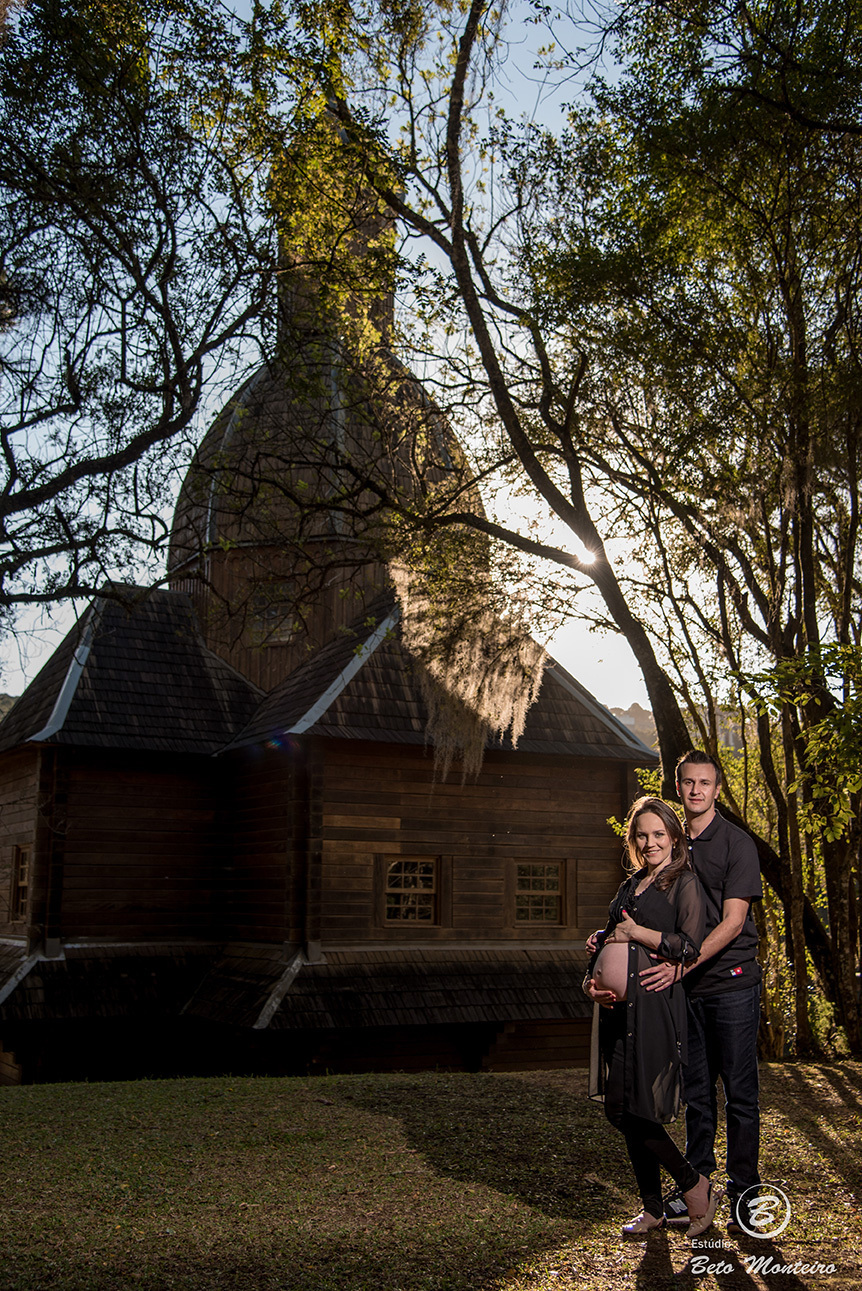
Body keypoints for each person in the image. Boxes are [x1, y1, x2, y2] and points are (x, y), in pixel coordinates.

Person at [639, 751, 763, 1235]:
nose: (696, 790)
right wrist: (611, 938)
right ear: (679, 786)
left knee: (740, 1094)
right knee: (696, 1095)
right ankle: (699, 1191)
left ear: (716, 788)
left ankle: (745, 1194)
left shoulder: (737, 843)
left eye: (705, 783)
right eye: (688, 782)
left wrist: (682, 963)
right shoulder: (668, 844)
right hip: (682, 987)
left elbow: (733, 923)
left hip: (731, 985)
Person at [584, 796, 716, 1239]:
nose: (650, 841)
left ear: (674, 838)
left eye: (659, 834)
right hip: (618, 1011)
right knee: (623, 1107)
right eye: (642, 835)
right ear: (633, 840)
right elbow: (604, 941)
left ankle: (694, 1185)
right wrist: (591, 983)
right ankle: (654, 1208)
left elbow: (688, 946)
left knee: (630, 1108)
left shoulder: (685, 884)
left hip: (656, 1008)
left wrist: (637, 932)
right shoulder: (629, 887)